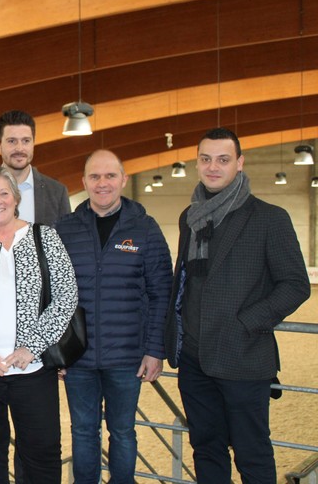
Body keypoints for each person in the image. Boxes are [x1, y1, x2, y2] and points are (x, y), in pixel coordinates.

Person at [164, 127, 310, 483]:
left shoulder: (268, 218)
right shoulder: (190, 217)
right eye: (206, 159)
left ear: (239, 163)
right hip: (194, 359)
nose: (213, 167)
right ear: (198, 162)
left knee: (252, 452)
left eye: (223, 159)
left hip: (243, 357)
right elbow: (185, 281)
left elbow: (295, 285)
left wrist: (247, 322)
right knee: (206, 448)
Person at [0, 165, 78, 484]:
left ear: (16, 198)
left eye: (4, 193)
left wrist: (31, 348)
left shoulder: (44, 237)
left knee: (43, 452)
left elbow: (66, 296)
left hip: (33, 372)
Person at [55, 150, 172, 483]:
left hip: (127, 356)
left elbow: (160, 292)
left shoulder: (146, 229)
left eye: (109, 176)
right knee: (82, 432)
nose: (102, 184)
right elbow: (53, 295)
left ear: (123, 179)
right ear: (84, 183)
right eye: (94, 177)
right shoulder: (66, 229)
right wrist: (58, 352)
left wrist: (154, 350)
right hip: (78, 358)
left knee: (122, 431)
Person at [0, 109, 70, 225]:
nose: (19, 148)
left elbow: (66, 239)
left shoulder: (57, 192)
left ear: (33, 143)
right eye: (12, 141)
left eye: (26, 141)